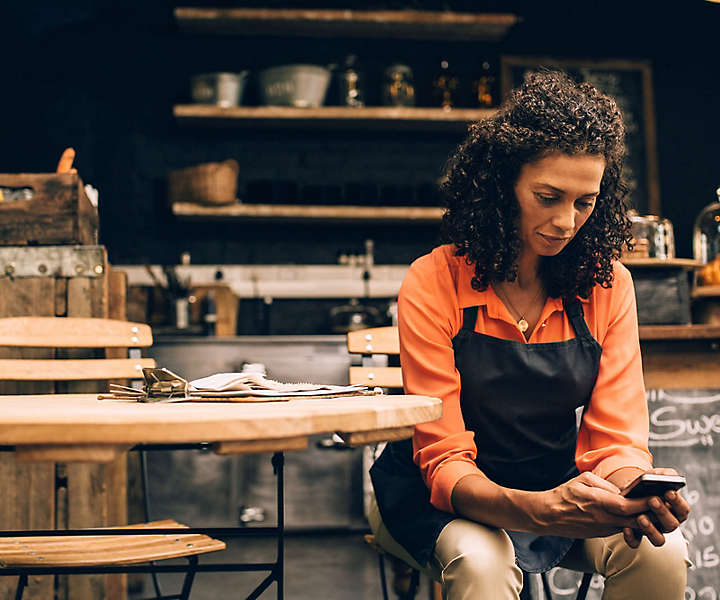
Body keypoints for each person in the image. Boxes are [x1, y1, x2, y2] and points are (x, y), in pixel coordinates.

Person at [368, 70, 690, 599]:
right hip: (434, 496)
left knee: (662, 551)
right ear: (501, 187)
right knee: (483, 560)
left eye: (585, 202)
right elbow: (445, 462)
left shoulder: (609, 285)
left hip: (557, 488)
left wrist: (635, 487)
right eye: (548, 196)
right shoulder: (435, 280)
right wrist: (542, 509)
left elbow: (616, 440)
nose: (567, 222)